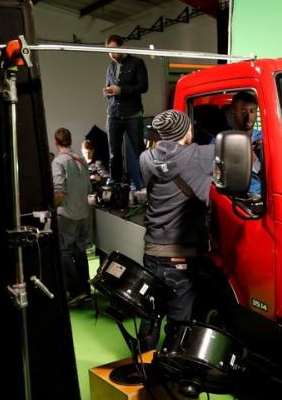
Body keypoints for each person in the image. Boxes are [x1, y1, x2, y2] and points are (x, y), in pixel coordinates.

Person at [137, 110, 214, 351]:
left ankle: (142, 369)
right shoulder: (199, 155)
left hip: (152, 250)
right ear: (185, 131)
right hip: (180, 254)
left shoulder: (145, 157)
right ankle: (169, 376)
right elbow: (233, 149)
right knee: (179, 322)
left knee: (150, 314)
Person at [52, 127, 93, 307]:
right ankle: (85, 290)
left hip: (67, 215)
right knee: (80, 251)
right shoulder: (81, 159)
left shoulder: (58, 162)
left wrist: (50, 208)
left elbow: (59, 193)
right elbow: (89, 189)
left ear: (56, 143)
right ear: (70, 140)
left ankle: (75, 291)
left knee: (64, 252)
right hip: (83, 214)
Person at [104, 34, 148, 190]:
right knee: (113, 153)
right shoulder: (111, 66)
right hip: (113, 114)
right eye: (108, 51)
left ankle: (146, 184)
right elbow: (109, 86)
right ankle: (114, 182)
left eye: (114, 50)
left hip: (132, 114)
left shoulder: (137, 63)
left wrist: (121, 90)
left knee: (139, 152)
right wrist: (108, 92)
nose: (111, 53)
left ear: (122, 48)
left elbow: (143, 87)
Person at [228, 91, 263, 194]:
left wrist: (256, 162)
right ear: (233, 111)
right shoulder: (221, 140)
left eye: (252, 111)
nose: (249, 116)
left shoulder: (266, 137)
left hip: (265, 195)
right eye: (243, 111)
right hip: (235, 198)